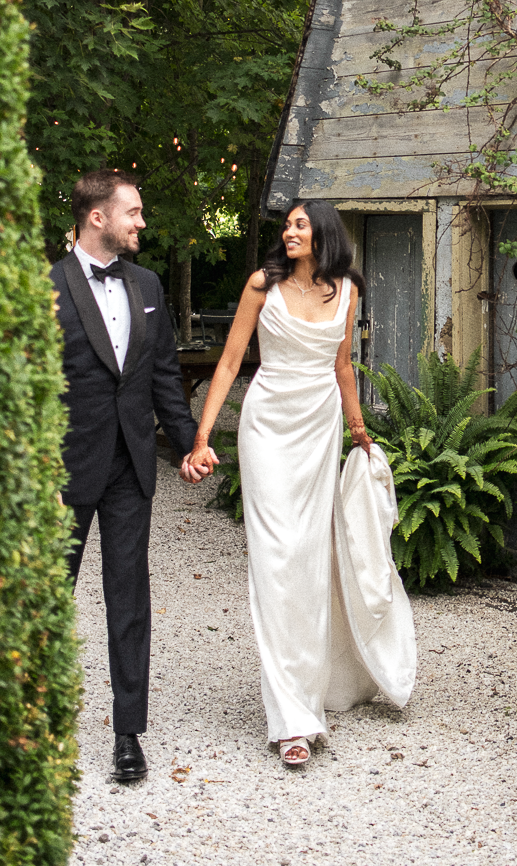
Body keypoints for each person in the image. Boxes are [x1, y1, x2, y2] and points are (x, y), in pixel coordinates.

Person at [183, 199, 415, 766]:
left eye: (300, 225)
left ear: (324, 234)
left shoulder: (347, 291)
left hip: (319, 430)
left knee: (310, 562)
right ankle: (290, 718)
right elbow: (231, 362)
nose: (289, 232)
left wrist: (359, 430)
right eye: (286, 225)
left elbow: (342, 368)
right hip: (266, 427)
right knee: (275, 558)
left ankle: (309, 694)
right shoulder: (262, 285)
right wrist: (202, 438)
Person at [52, 169, 210, 785]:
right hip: (62, 474)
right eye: (133, 213)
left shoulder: (146, 284)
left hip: (131, 470)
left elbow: (163, 377)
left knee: (129, 601)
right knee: (46, 601)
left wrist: (189, 445)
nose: (142, 222)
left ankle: (127, 735)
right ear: (98, 217)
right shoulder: (47, 288)